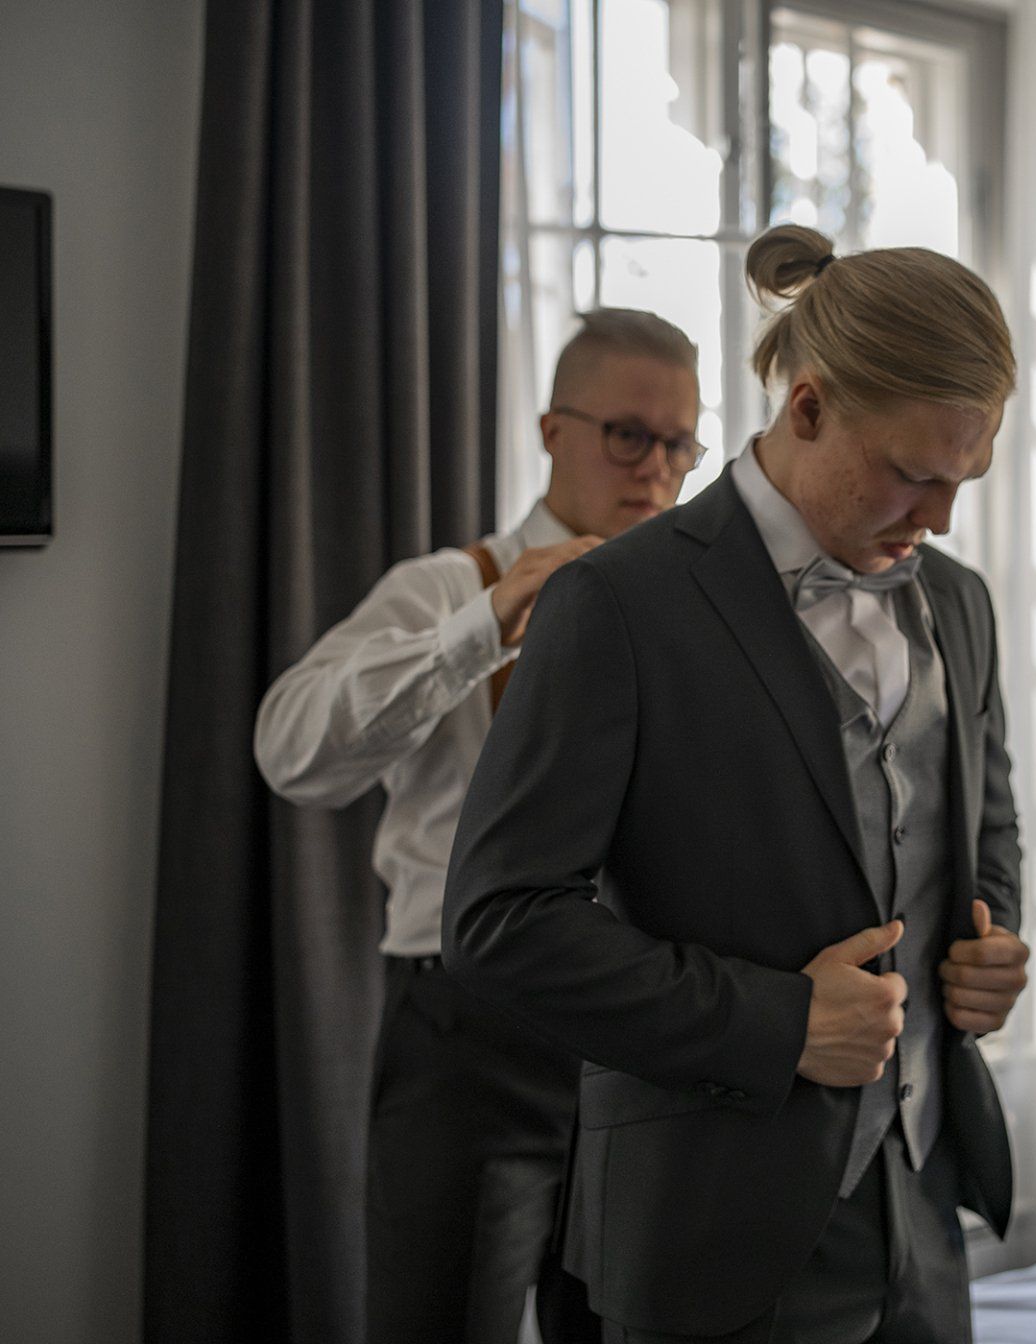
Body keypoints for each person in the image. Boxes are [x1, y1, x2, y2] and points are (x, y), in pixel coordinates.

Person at [442, 223, 1031, 1344]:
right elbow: (499, 923)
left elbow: (987, 824)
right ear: (806, 409)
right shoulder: (616, 606)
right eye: (914, 475)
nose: (942, 518)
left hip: (922, 1217)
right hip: (708, 1230)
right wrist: (779, 1024)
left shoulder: (959, 602)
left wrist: (991, 944)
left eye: (965, 481)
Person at [253, 308, 705, 1344]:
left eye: (680, 444)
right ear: (552, 431)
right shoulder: (448, 589)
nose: (655, 469)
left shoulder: (692, 613)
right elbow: (288, 749)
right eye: (628, 435)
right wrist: (479, 631)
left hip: (640, 1039)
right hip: (469, 1044)